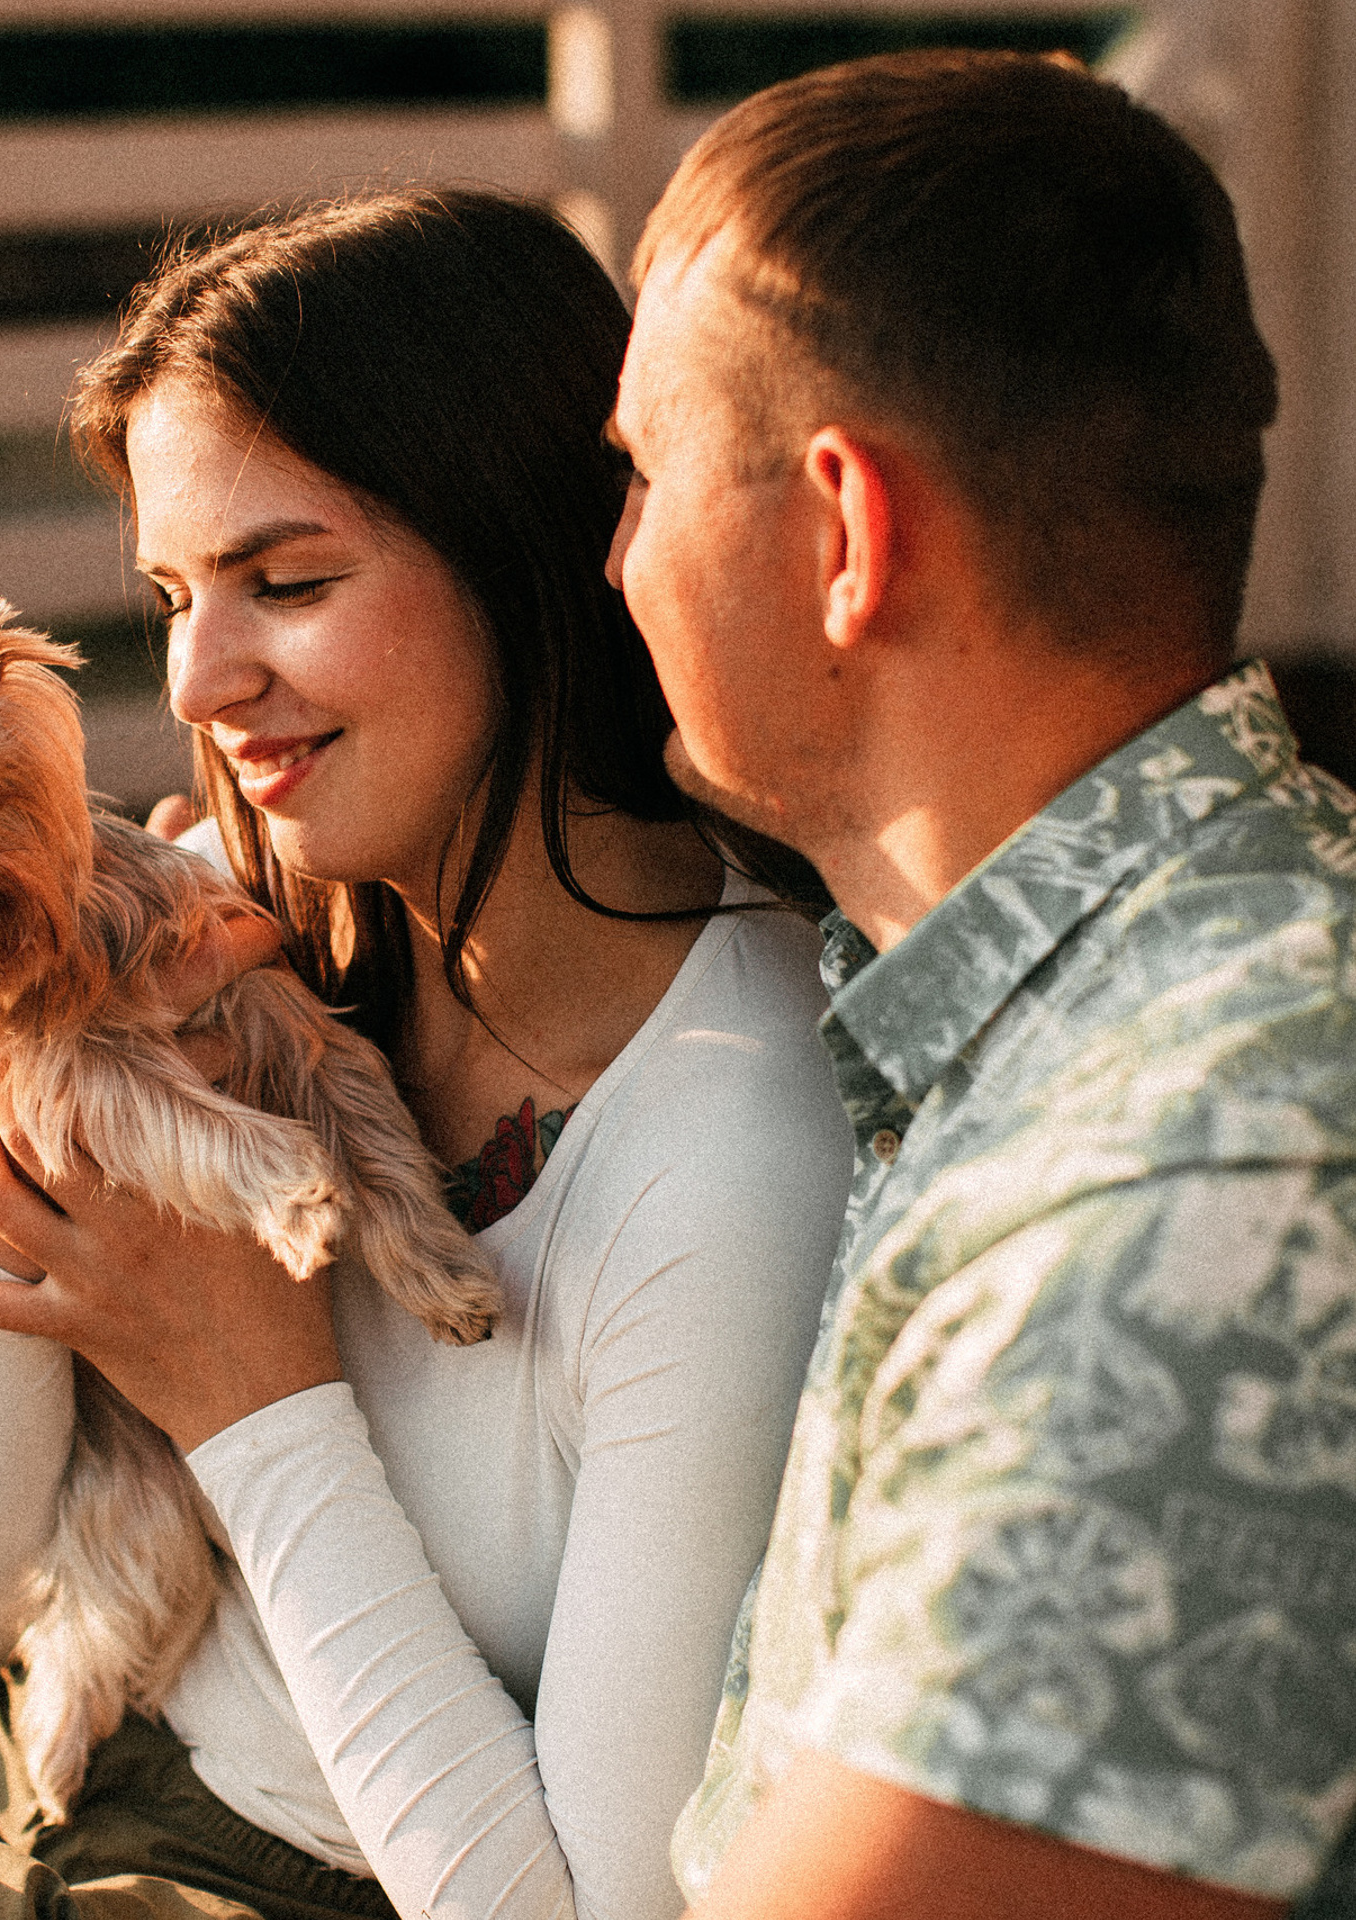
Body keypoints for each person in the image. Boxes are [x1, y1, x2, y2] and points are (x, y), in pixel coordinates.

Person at [0, 189, 851, 1920]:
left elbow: (570, 1914)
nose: (196, 673)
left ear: (528, 546)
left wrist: (250, 1395)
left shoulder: (734, 1139)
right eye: (176, 592)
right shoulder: (277, 914)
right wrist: (16, 1126)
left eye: (288, 581)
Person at [605, 46, 1356, 1920]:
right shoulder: (1095, 1006)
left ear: (847, 533)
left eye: (643, 472)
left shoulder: (1198, 1193)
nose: (613, 560)